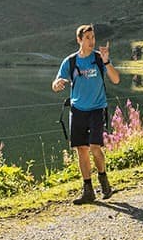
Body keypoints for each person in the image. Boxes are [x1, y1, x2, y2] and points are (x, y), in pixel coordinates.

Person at [51, 24, 120, 203]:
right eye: (87, 38)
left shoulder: (99, 59)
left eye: (93, 37)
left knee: (95, 147)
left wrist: (106, 61)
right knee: (81, 150)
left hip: (97, 109)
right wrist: (58, 83)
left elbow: (116, 79)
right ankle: (88, 190)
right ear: (79, 40)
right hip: (77, 110)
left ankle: (103, 180)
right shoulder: (71, 61)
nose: (91, 41)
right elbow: (57, 81)